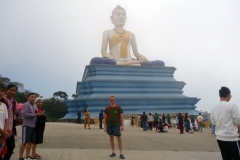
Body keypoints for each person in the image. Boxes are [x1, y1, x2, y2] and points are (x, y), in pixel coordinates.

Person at [90, 5, 165, 67]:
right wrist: (106, 55)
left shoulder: (131, 34)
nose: (121, 16)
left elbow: (136, 53)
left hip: (130, 60)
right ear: (111, 18)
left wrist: (140, 56)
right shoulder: (107, 33)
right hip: (114, 61)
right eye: (117, 14)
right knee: (94, 60)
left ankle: (127, 63)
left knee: (160, 63)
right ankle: (126, 64)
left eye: (123, 15)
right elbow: (103, 51)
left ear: (126, 18)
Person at [211, 86, 240, 160]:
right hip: (232, 138)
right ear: (228, 95)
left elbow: (214, 122)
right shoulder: (231, 105)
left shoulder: (214, 108)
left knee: (226, 157)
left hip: (220, 138)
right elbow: (238, 121)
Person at [19, 93, 43, 160]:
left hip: (33, 126)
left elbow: (36, 113)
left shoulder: (34, 106)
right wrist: (35, 115)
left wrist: (40, 114)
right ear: (28, 97)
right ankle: (20, 157)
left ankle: (27, 156)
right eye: (32, 97)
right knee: (24, 142)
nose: (33, 98)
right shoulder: (26, 105)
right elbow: (25, 114)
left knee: (29, 142)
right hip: (27, 125)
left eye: (34, 97)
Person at [0, 84, 19, 160]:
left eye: (14, 91)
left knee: (11, 147)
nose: (13, 92)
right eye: (11, 90)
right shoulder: (2, 100)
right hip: (2, 129)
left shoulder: (14, 102)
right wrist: (4, 132)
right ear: (7, 90)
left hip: (9, 128)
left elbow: (8, 117)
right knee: (2, 149)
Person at [0, 84, 9, 153]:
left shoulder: (4, 105)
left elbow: (6, 120)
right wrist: (4, 133)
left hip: (1, 136)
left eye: (3, 91)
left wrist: (4, 135)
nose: (1, 93)